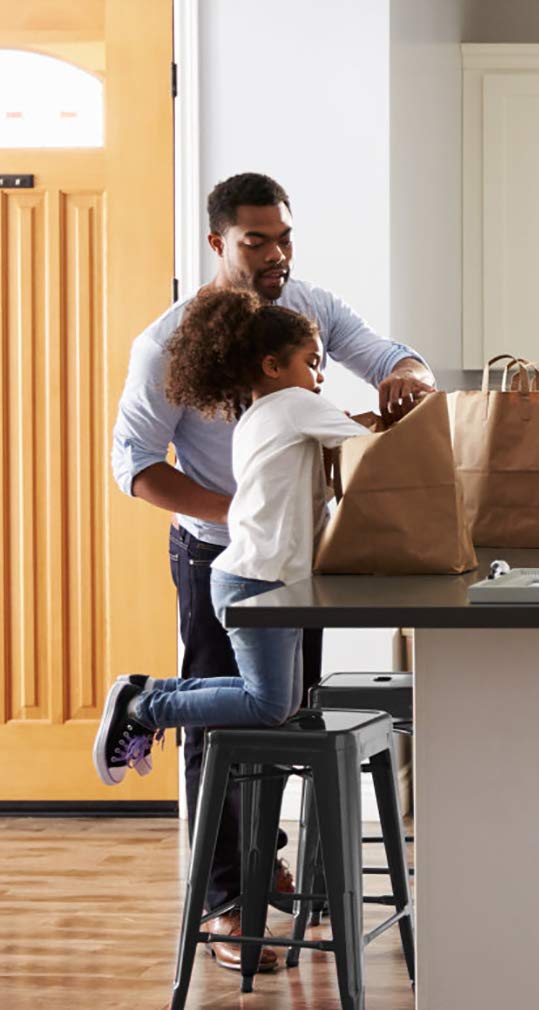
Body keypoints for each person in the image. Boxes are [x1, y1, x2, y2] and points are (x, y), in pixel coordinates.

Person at [110, 172, 433, 971]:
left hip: (291, 561)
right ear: (217, 242)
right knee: (226, 727)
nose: (277, 254)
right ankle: (226, 900)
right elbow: (137, 468)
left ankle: (265, 870)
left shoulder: (307, 311)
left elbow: (393, 359)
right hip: (220, 555)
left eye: (284, 238)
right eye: (256, 241)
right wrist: (248, 508)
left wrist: (410, 378)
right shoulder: (164, 344)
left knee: (281, 719)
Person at [99, 289, 368, 967]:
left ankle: (151, 700)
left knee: (277, 707)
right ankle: (145, 703)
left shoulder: (259, 412)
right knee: (270, 705)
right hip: (254, 582)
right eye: (312, 361)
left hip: (258, 579)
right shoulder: (295, 405)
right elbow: (373, 445)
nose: (320, 373)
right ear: (275, 366)